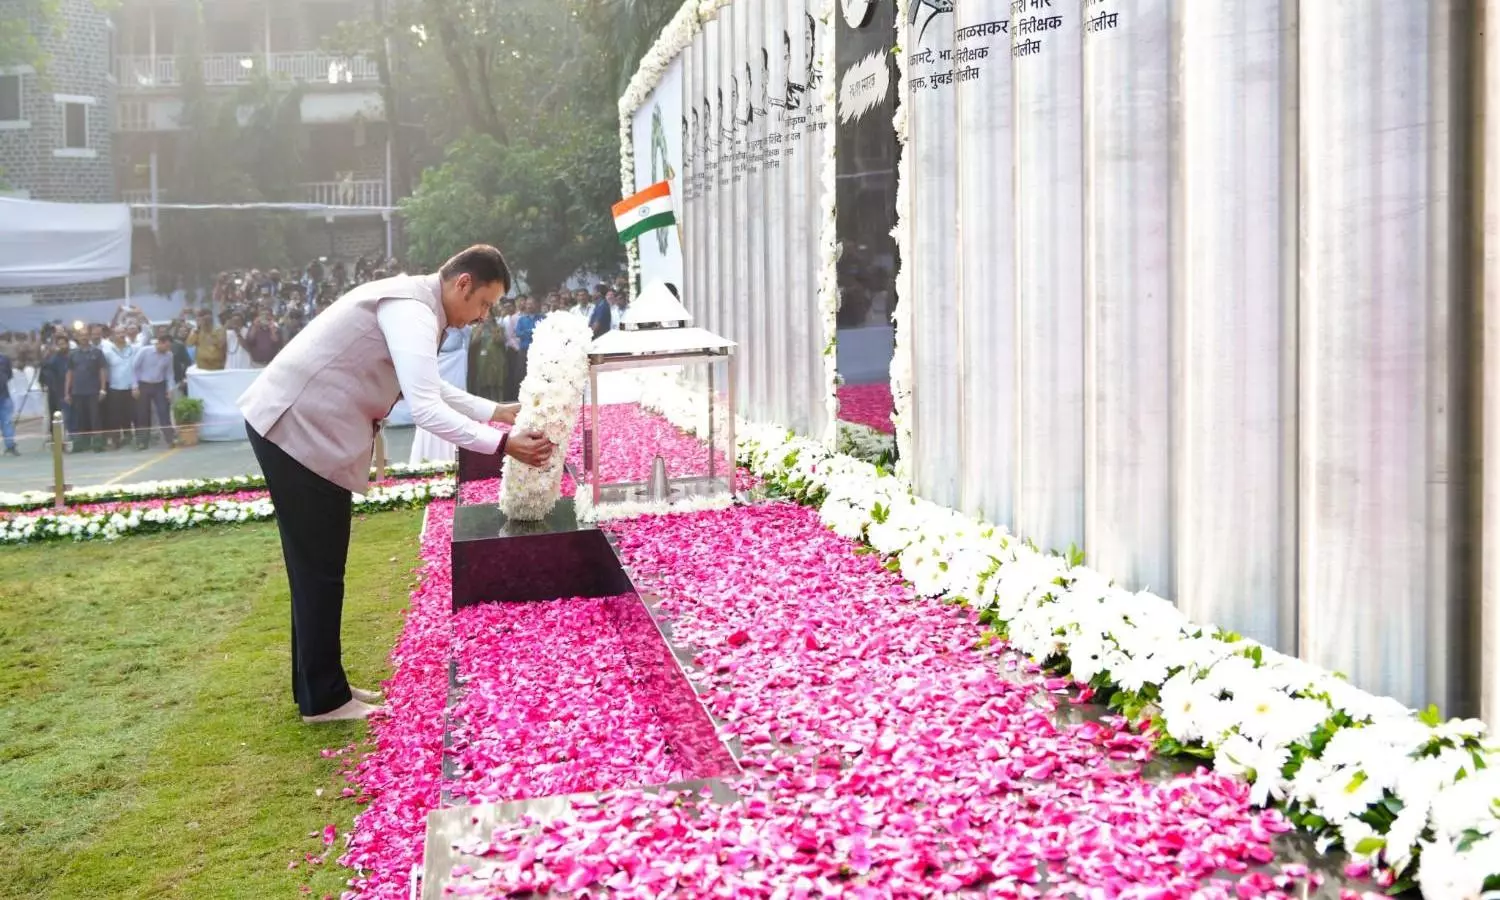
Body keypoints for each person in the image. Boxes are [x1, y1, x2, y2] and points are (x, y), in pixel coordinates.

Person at [238, 245, 554, 724]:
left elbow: (422, 384)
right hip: (295, 429)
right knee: (319, 567)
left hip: (297, 428)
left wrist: (493, 413)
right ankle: (324, 699)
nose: (482, 317)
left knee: (315, 566)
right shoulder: (411, 310)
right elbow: (425, 408)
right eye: (484, 304)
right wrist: (503, 442)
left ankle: (320, 686)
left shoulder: (416, 305)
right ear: (462, 283)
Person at [65, 327, 107, 453]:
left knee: (95, 418)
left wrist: (103, 389)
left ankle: (98, 443)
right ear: (77, 337)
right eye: (81, 335)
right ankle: (82, 444)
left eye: (85, 335)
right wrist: (67, 392)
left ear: (89, 336)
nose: (83, 337)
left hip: (93, 390)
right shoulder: (73, 354)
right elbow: (69, 373)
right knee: (80, 418)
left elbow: (102, 370)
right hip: (78, 391)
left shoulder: (97, 352)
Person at [134, 331, 177, 449]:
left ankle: (170, 439)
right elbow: (134, 368)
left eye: (169, 347)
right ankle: (142, 441)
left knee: (164, 411)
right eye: (166, 346)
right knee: (143, 413)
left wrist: (170, 388)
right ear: (160, 343)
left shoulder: (169, 355)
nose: (167, 349)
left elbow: (169, 373)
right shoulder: (144, 351)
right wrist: (135, 386)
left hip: (159, 385)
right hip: (144, 384)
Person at [100, 328, 139, 450]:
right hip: (114, 388)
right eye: (118, 333)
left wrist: (136, 385)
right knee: (115, 416)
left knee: (132, 414)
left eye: (123, 332)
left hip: (131, 387)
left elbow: (137, 368)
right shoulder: (107, 351)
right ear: (113, 336)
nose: (121, 335)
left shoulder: (134, 349)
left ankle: (132, 438)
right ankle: (116, 440)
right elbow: (104, 370)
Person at [39, 333, 71, 439]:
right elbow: (45, 371)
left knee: (70, 417)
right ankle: (56, 439)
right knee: (56, 416)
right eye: (59, 344)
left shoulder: (73, 355)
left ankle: (73, 438)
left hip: (72, 390)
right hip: (56, 391)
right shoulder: (53, 359)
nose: (62, 346)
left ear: (68, 344)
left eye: (64, 344)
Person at [0, 347, 17, 456]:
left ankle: (10, 446)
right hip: (5, 395)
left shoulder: (5, 359)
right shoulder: (5, 359)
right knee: (7, 422)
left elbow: (9, 375)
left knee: (7, 422)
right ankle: (10, 446)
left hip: (4, 396)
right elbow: (9, 376)